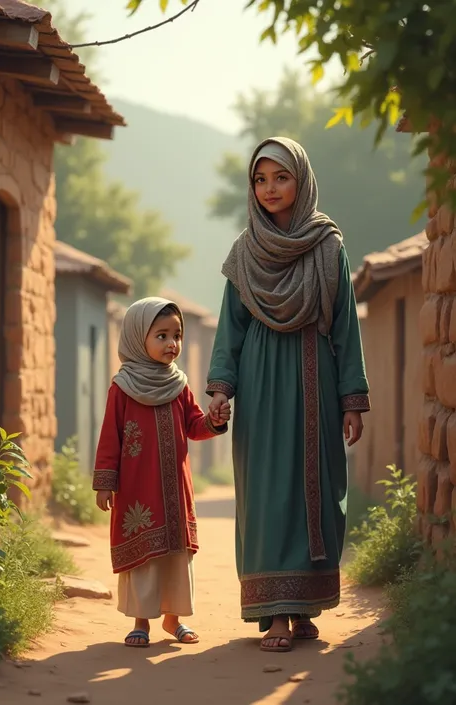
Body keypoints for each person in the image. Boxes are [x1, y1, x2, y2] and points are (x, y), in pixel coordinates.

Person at [207, 137, 369, 653]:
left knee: (314, 491)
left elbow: (345, 328)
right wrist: (220, 388)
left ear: (301, 180)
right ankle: (275, 613)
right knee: (267, 493)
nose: (270, 189)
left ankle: (304, 607)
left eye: (281, 177)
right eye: (260, 179)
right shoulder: (244, 252)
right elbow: (229, 330)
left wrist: (352, 398)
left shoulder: (328, 246)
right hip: (259, 384)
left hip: (314, 378)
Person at [93, 297, 230, 648]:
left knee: (175, 554)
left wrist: (213, 421)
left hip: (175, 491)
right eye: (162, 335)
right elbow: (111, 437)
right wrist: (105, 483)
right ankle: (141, 621)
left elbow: (194, 426)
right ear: (139, 338)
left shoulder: (179, 385)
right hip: (139, 489)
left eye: (177, 335)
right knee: (144, 556)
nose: (172, 344)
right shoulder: (122, 388)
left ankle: (174, 620)